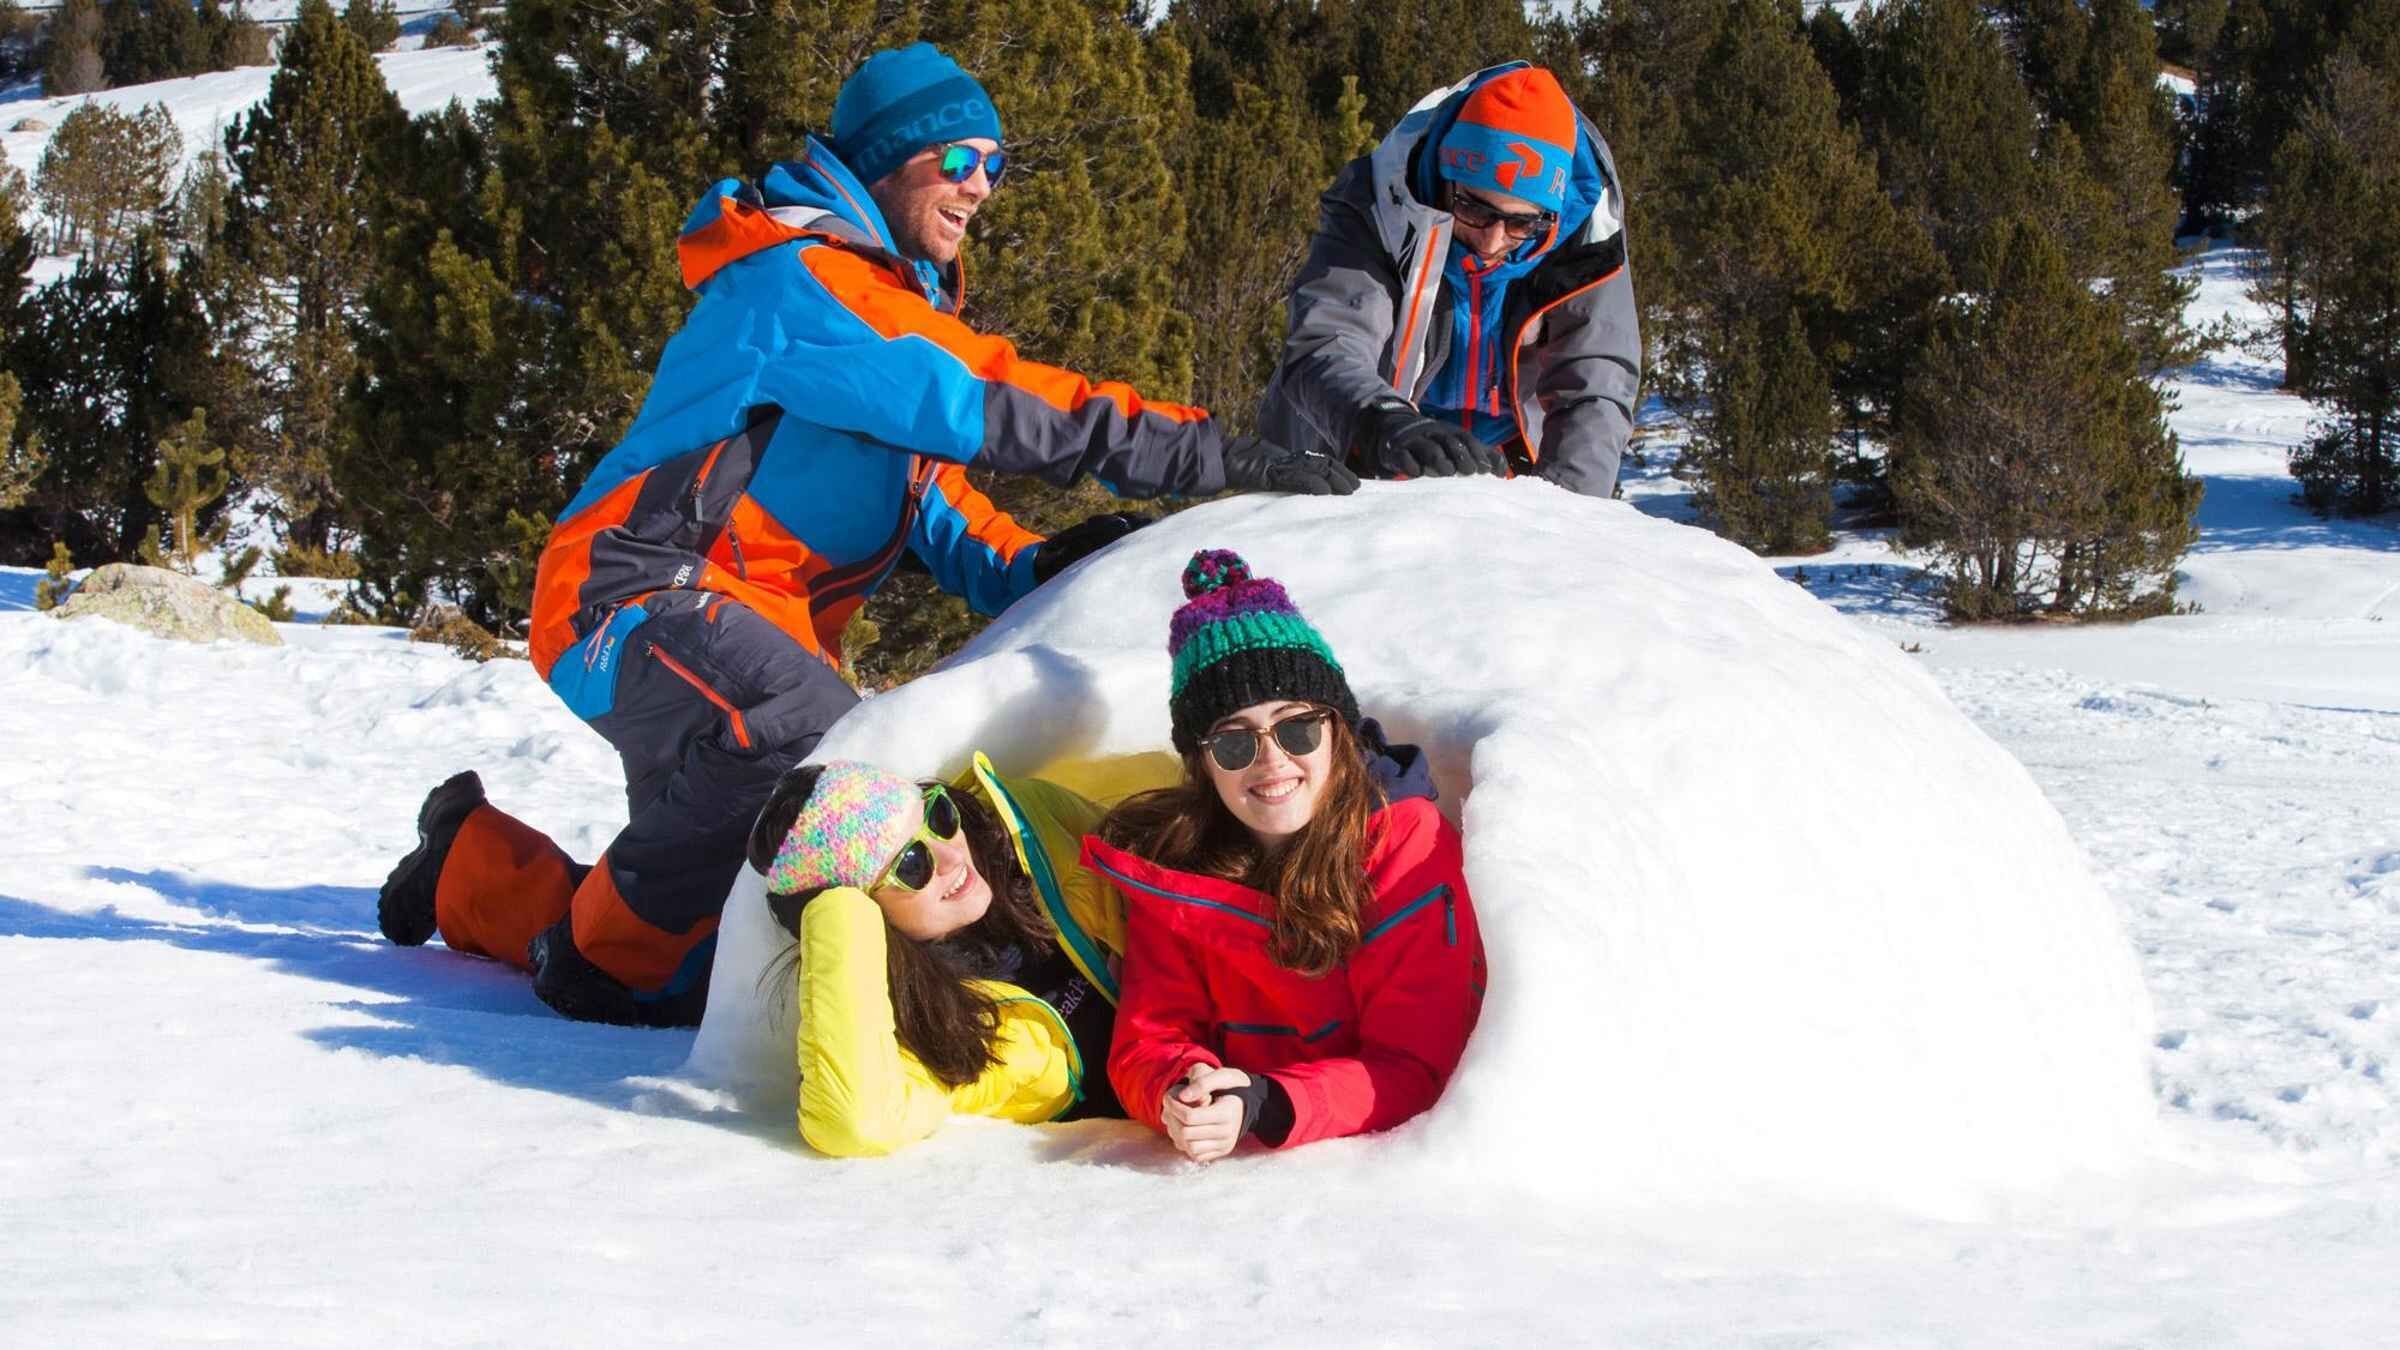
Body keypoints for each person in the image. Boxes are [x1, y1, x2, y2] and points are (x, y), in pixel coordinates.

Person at [373, 43, 1356, 1027]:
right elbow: (984, 393)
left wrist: (1030, 564)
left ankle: (465, 862)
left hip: (747, 631)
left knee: (719, 935)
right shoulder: (800, 285)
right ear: (889, 158)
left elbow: (930, 498)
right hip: (633, 594)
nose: (982, 188)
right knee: (805, 745)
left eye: (997, 166)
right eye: (960, 160)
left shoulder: (879, 306)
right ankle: (593, 960)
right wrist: (1200, 452)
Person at [1086, 549, 1486, 1161]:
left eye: (1295, 728)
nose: (1271, 760)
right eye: (1234, 741)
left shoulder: (1407, 845)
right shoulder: (1177, 868)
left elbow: (1414, 1066)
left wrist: (1268, 1103)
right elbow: (1153, 1035)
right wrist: (1182, 1089)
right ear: (1202, 762)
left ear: (1338, 731)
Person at [1257, 61, 1641, 498]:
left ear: (1550, 215)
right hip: (1356, 442)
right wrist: (1383, 420)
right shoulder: (1380, 206)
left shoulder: (1584, 241)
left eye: (1521, 224)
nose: (1493, 240)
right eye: (1475, 209)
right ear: (1445, 177)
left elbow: (1595, 388)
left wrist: (1564, 514)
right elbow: (1328, 339)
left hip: (1509, 466)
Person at [748, 754, 1133, 1156]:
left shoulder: (1030, 823)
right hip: (1140, 1159)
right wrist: (839, 909)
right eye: (911, 865)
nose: (952, 857)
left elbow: (1178, 852)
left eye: (938, 818)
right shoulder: (926, 1035)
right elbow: (856, 1122)